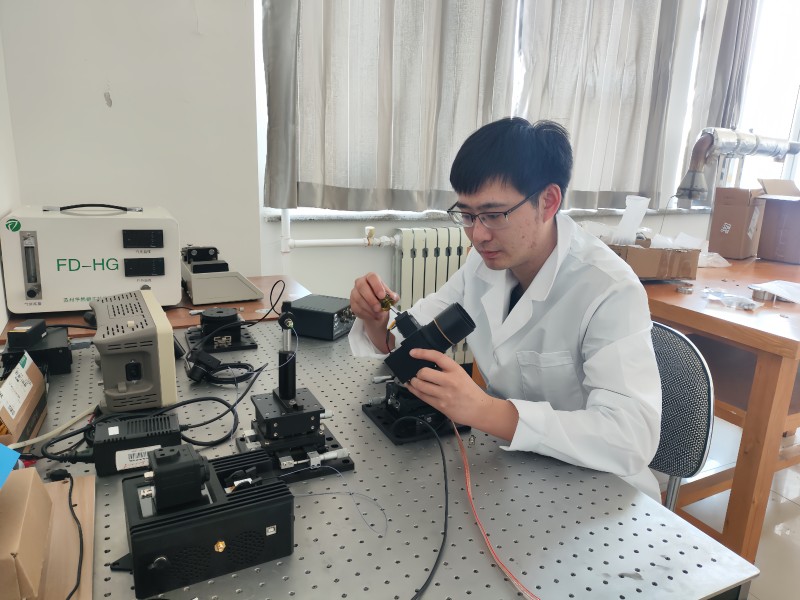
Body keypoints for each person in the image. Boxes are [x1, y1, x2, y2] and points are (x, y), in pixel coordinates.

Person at [348, 117, 662, 500]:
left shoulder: (609, 288)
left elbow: (631, 438)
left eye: (494, 215)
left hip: (601, 493)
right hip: (519, 471)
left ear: (548, 202)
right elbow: (409, 343)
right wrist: (377, 319)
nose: (478, 234)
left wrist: (485, 410)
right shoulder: (483, 266)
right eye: (467, 215)